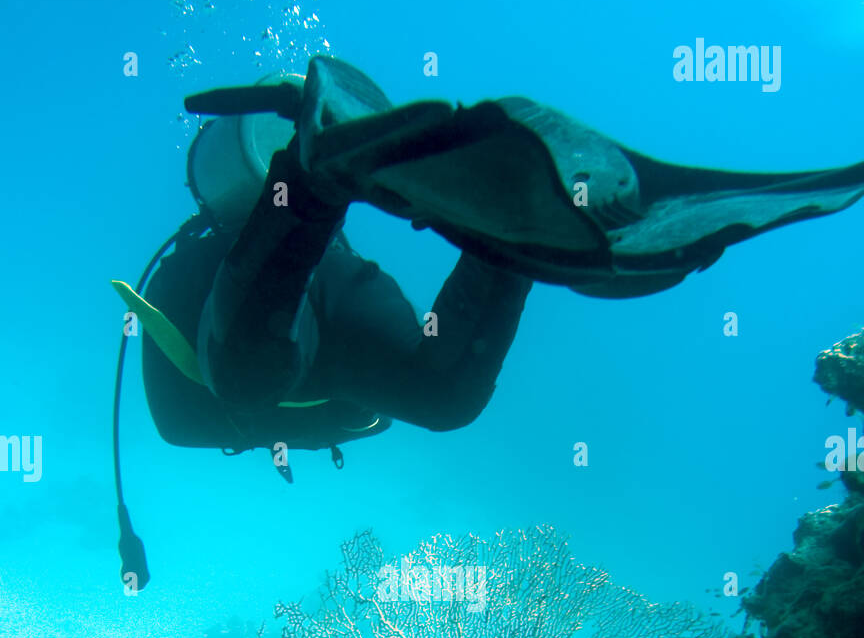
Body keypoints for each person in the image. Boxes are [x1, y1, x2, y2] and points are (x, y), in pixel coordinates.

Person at [126, 55, 864, 479]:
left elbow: (179, 421)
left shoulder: (187, 277)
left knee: (251, 378)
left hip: (281, 301)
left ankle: (317, 180)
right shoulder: (189, 282)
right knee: (444, 398)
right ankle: (509, 239)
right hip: (303, 299)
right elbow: (176, 423)